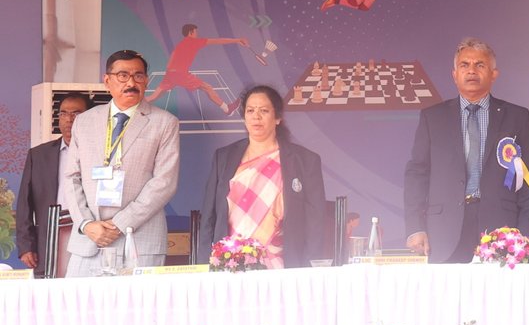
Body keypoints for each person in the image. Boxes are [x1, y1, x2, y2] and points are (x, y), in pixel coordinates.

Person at [405, 38, 529, 263]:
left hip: (503, 232)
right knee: (447, 297)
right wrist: (414, 227)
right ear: (454, 74)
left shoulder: (516, 117)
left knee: (500, 298)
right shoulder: (433, 118)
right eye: (464, 65)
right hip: (443, 230)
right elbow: (417, 174)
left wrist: (526, 234)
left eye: (480, 65)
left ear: (493, 74)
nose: (471, 71)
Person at [59, 50, 181, 276]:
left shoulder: (164, 123)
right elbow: (71, 177)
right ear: (107, 80)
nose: (131, 83)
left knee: (138, 310)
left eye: (139, 76)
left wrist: (119, 224)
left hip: (139, 238)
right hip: (89, 240)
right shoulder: (84, 122)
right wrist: (87, 224)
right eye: (123, 75)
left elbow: (164, 183)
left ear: (146, 80)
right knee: (81, 309)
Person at [198, 86, 328, 269]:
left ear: (277, 118)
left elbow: (315, 220)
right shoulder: (223, 157)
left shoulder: (305, 160)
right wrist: (205, 266)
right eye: (250, 110)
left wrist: (310, 269)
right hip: (232, 265)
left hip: (284, 266)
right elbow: (208, 218)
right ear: (244, 117)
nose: (256, 116)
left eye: (264, 111)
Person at [16, 92, 89, 276]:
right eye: (63, 113)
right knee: (49, 296)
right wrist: (26, 246)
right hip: (48, 238)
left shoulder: (100, 154)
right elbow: (25, 204)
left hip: (88, 233)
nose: (68, 119)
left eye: (76, 114)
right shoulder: (39, 155)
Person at [146, 24, 250, 114]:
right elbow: (217, 41)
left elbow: (171, 59)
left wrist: (171, 75)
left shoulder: (181, 44)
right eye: (196, 32)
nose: (197, 34)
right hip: (180, 74)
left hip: (170, 74)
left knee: (153, 97)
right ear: (191, 32)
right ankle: (227, 109)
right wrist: (237, 40)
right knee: (207, 87)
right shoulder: (194, 41)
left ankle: (135, 106)